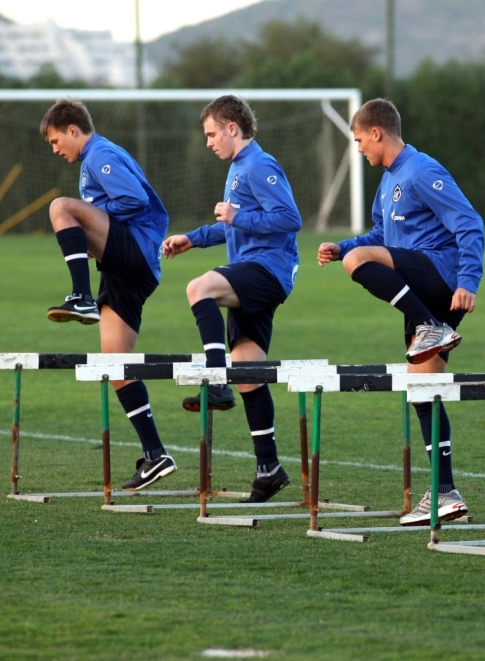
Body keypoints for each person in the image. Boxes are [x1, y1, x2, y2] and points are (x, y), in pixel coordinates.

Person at [317, 99, 485, 526]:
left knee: (361, 264)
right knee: (421, 390)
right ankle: (445, 492)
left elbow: (469, 222)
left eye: (358, 140)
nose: (358, 149)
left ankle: (432, 326)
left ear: (377, 133)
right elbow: (381, 235)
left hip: (441, 277)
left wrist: (469, 280)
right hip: (419, 284)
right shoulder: (389, 180)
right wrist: (344, 248)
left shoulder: (422, 169)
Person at [162, 96, 301, 503]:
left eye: (211, 134)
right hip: (251, 268)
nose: (208, 143)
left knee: (198, 288)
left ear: (232, 129)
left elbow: (290, 219)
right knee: (248, 373)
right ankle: (269, 468)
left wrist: (238, 217)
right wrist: (194, 238)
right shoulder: (239, 168)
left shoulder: (259, 165)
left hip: (268, 270)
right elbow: (233, 227)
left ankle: (215, 380)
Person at [41, 98, 175, 491]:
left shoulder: (99, 155)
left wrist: (93, 213)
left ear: (72, 130)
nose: (54, 149)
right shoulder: (94, 159)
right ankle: (156, 456)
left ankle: (80, 296)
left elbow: (134, 199)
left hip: (133, 249)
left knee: (62, 207)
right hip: (126, 272)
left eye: (54, 140)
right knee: (115, 364)